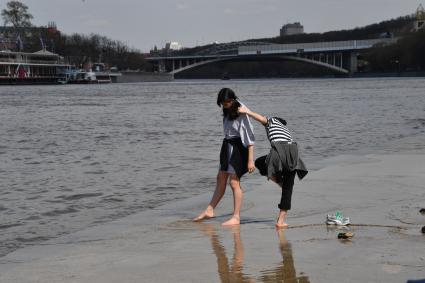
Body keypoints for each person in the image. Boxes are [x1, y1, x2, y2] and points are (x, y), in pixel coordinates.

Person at [238, 105, 308, 228]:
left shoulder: (272, 121)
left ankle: (279, 181)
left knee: (260, 162)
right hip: (293, 151)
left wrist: (247, 112)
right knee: (288, 186)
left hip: (281, 149)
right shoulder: (286, 129)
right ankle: (280, 221)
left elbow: (261, 118)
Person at [193, 88, 255, 226]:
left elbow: (250, 136)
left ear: (233, 99)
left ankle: (236, 217)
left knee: (234, 182)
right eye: (223, 103)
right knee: (220, 178)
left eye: (227, 102)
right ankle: (210, 210)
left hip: (239, 147)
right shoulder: (227, 109)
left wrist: (251, 160)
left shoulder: (241, 110)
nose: (225, 105)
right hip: (227, 145)